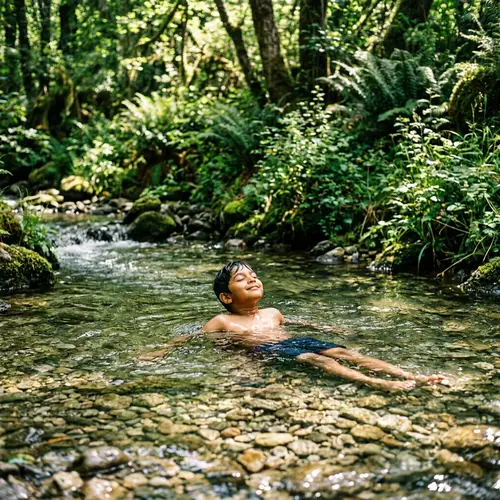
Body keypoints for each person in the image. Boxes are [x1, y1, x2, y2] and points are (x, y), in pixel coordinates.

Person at [141, 261, 447, 392]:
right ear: (226, 296)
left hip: (294, 339)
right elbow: (191, 338)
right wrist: (160, 351)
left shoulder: (273, 312)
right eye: (241, 279)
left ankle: (410, 375)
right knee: (316, 359)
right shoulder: (223, 320)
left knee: (344, 351)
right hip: (268, 349)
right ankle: (382, 384)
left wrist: (329, 328)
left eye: (254, 275)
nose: (252, 279)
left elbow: (298, 322)